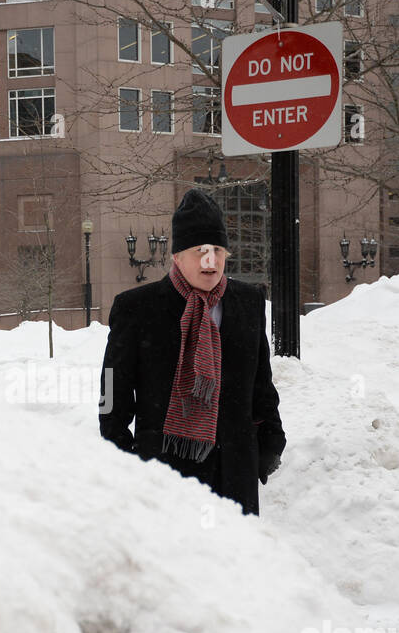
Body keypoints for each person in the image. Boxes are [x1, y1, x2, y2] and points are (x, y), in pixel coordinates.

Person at [98, 189, 286, 516]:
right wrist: (125, 456)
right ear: (177, 256)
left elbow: (261, 383)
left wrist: (271, 441)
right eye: (199, 251)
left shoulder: (249, 303)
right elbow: (112, 391)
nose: (210, 261)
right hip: (164, 479)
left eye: (217, 250)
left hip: (235, 477)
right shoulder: (137, 309)